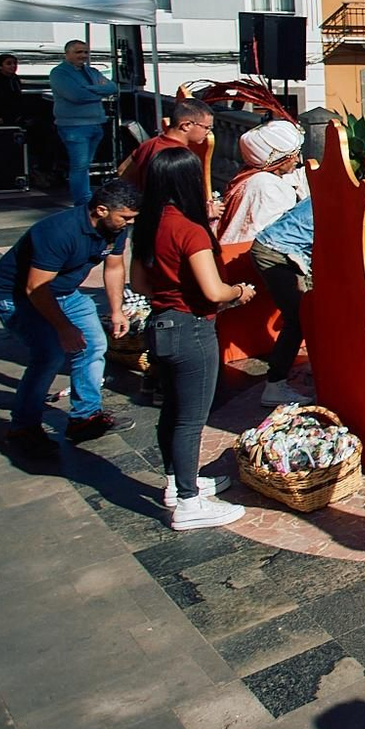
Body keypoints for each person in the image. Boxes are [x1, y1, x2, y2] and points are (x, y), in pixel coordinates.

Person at [130, 147, 255, 529]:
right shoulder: (189, 229)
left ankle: (176, 481)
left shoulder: (149, 224)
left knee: (171, 410)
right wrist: (239, 292)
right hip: (191, 328)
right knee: (190, 420)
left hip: (160, 324)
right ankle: (188, 503)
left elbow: (137, 282)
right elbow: (214, 290)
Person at [0, 179, 141, 458]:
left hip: (64, 291)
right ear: (102, 210)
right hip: (17, 294)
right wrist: (64, 328)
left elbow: (115, 267)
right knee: (49, 354)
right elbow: (36, 287)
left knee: (93, 345)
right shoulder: (59, 232)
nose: (127, 224)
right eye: (125, 218)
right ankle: (23, 427)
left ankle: (85, 418)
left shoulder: (113, 229)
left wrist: (117, 310)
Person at [250, 197, 315, 405]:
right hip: (277, 252)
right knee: (298, 319)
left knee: (304, 315)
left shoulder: (334, 189)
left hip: (280, 251)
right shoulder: (348, 199)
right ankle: (275, 385)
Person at [49, 38, 117, 207]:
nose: (83, 56)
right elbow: (76, 96)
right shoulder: (59, 73)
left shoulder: (92, 71)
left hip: (95, 124)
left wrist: (90, 89)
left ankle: (84, 200)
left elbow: (112, 87)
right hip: (74, 127)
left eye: (86, 52)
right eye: (78, 52)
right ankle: (83, 202)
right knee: (79, 167)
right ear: (67, 54)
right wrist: (98, 91)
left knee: (85, 166)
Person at [218, 120, 307, 245]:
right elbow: (270, 241)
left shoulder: (252, 176)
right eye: (293, 156)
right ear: (279, 161)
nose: (297, 160)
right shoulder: (268, 187)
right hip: (247, 258)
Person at [122, 99, 215, 190]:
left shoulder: (148, 144)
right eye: (207, 127)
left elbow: (122, 171)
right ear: (186, 125)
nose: (209, 132)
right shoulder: (180, 157)